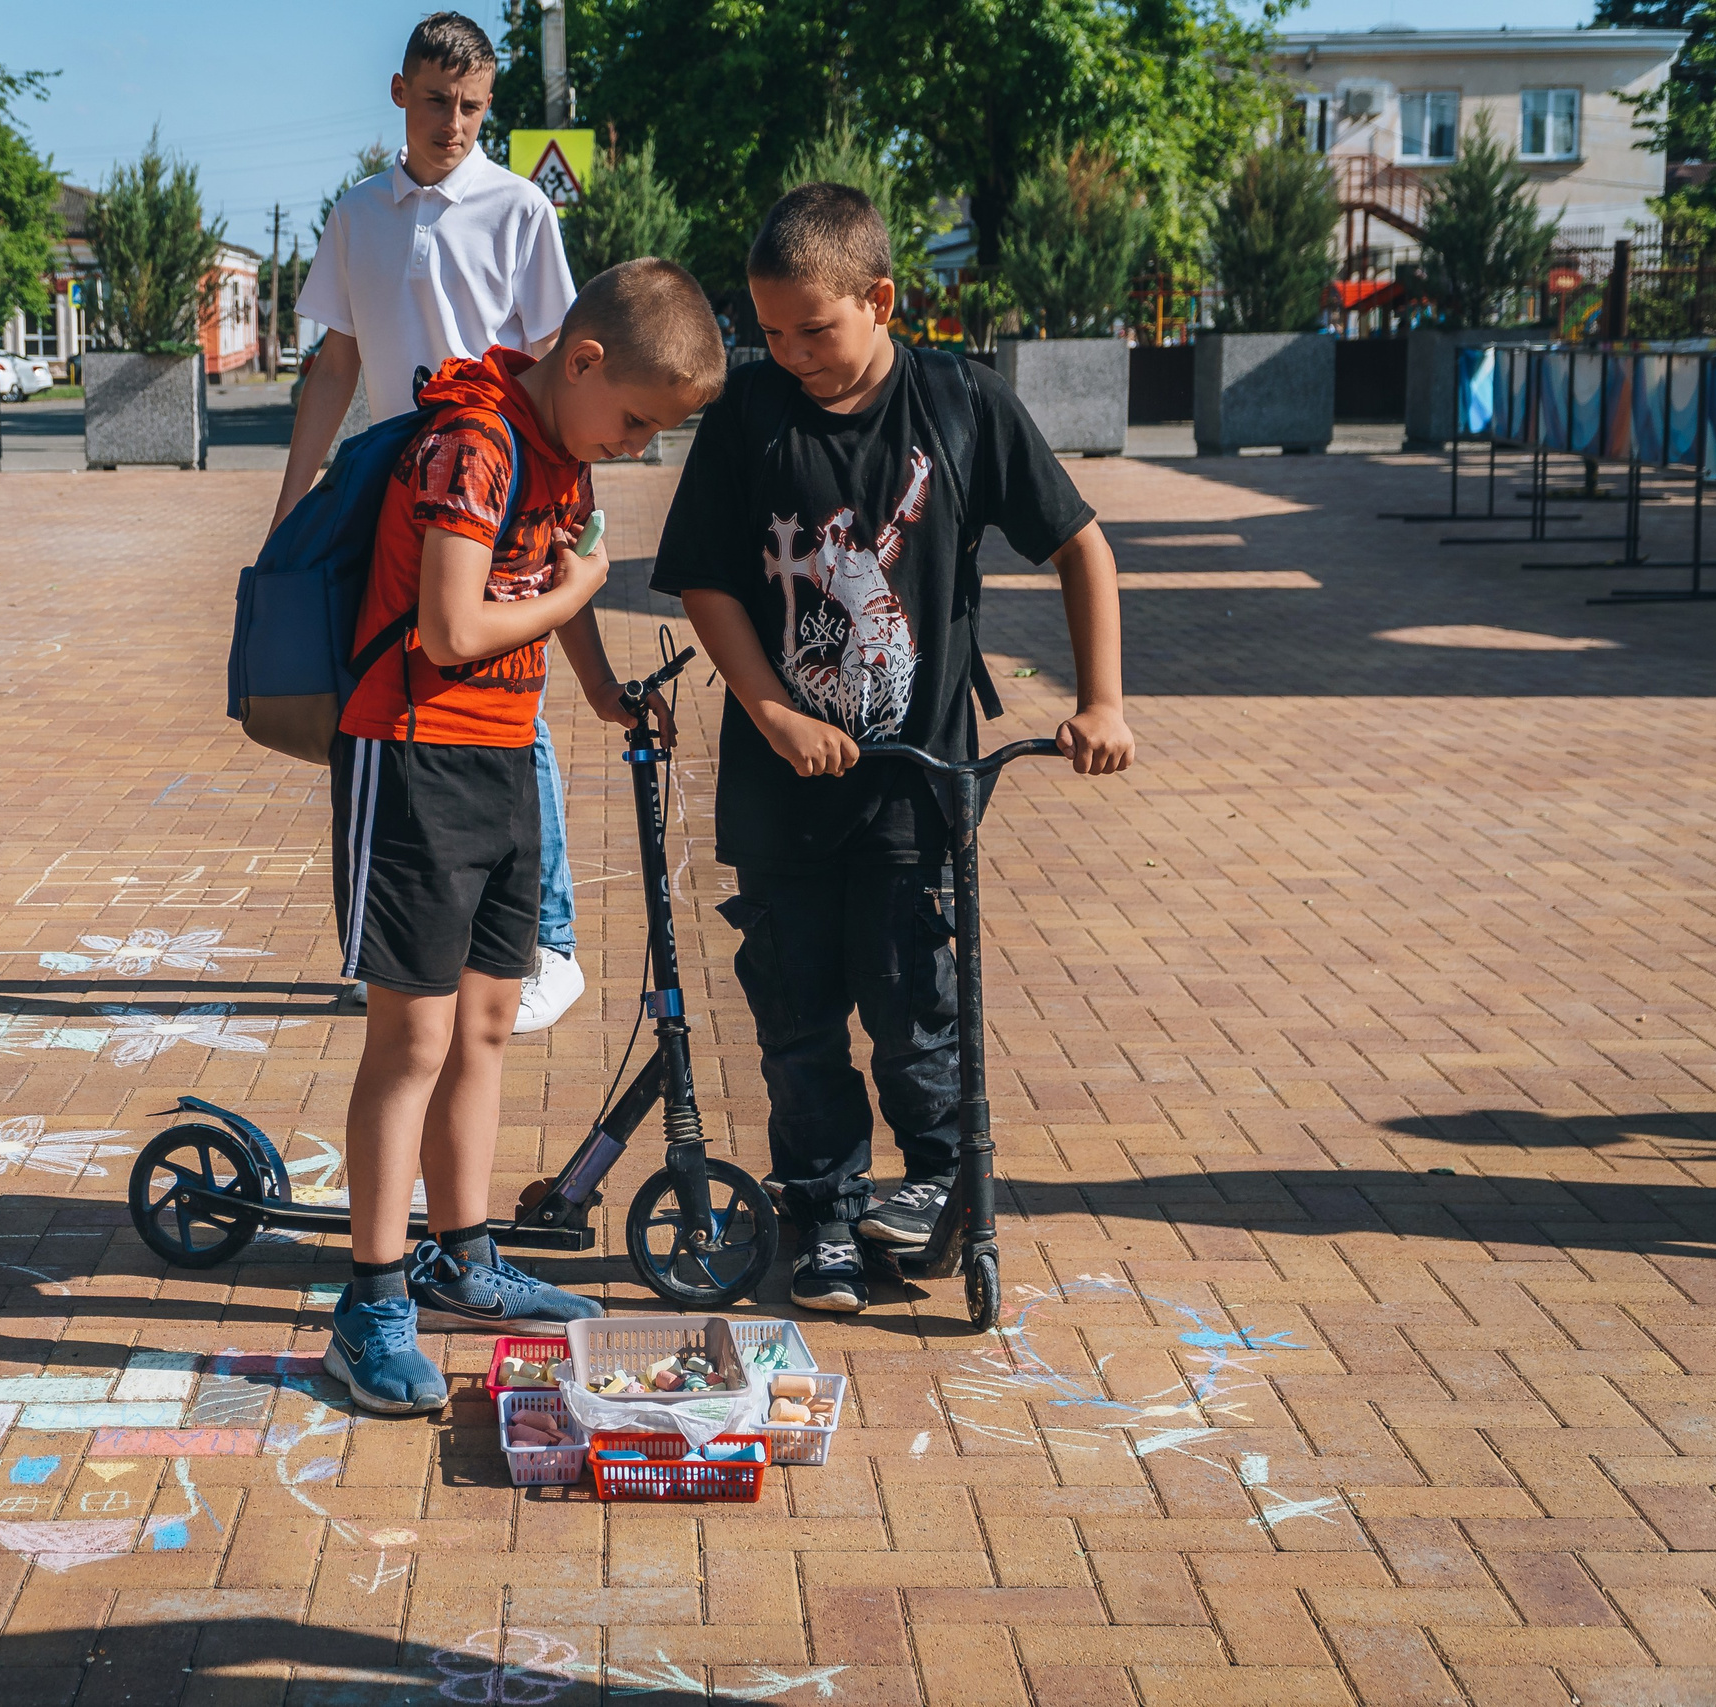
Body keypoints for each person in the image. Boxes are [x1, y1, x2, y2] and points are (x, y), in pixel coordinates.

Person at [649, 184, 1135, 1315]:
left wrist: (1103, 701)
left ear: (880, 298)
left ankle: (931, 1184)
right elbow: (708, 581)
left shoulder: (959, 405)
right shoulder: (749, 415)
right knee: (798, 1017)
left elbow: (1081, 546)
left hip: (918, 791)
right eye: (768, 332)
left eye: (811, 330)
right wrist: (772, 713)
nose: (788, 354)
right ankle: (822, 1213)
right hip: (781, 791)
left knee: (915, 1008)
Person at [324, 260, 726, 1413]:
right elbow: (452, 628)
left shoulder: (559, 453)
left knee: (485, 1025)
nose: (636, 448)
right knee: (411, 1040)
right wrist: (581, 587)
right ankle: (371, 1303)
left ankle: (463, 1259)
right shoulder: (474, 445)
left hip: (506, 760)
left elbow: (554, 587)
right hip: (412, 756)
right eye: (635, 421)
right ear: (583, 361)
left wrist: (598, 689)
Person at [283, 11, 592, 1035]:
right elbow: (335, 365)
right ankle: (397, 947)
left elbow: (558, 363)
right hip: (394, 484)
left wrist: (567, 498)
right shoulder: (357, 213)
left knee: (510, 704)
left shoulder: (519, 210)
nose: (451, 123)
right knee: (384, 695)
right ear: (398, 95)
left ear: (488, 105)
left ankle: (549, 942)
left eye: (470, 106)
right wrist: (289, 511)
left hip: (497, 478)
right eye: (434, 101)